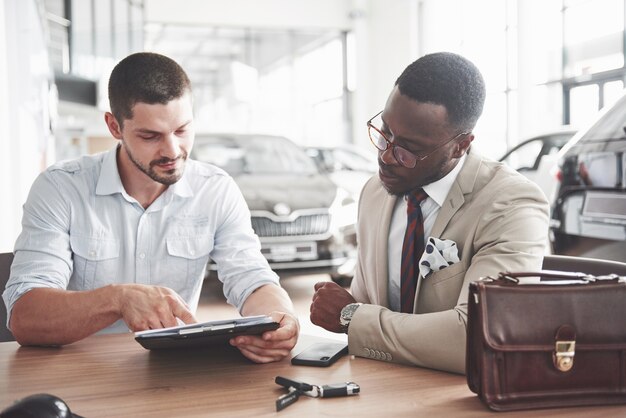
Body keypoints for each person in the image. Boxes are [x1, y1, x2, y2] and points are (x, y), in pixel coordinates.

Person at [3, 52, 299, 363]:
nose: (172, 150)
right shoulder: (60, 188)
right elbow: (25, 317)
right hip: (80, 374)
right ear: (114, 126)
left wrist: (279, 319)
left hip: (171, 372)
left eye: (182, 130)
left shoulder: (215, 189)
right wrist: (117, 299)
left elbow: (252, 279)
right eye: (150, 136)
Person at [309, 52, 549, 374]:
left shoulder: (512, 204)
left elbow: (479, 336)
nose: (386, 156)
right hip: (380, 389)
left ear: (460, 145)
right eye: (384, 132)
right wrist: (353, 312)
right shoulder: (374, 192)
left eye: (409, 149)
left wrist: (351, 316)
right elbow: (367, 306)